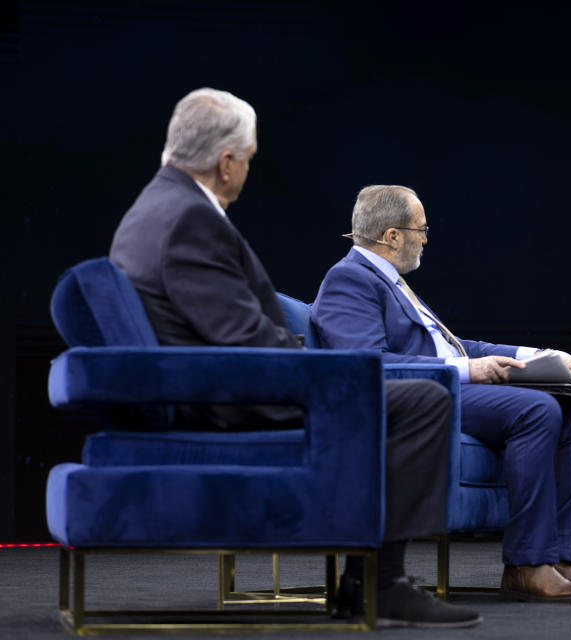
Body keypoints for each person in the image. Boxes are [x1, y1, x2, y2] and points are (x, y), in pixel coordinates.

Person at [109, 89, 481, 628]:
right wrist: (319, 366)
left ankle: (364, 581)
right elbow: (240, 338)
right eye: (250, 159)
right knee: (421, 400)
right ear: (227, 161)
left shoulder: (155, 207)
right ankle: (384, 582)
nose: (248, 170)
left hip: (215, 381)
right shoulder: (189, 219)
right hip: (229, 396)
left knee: (396, 393)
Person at [311, 185, 571, 603]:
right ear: (392, 236)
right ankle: (527, 565)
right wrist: (468, 371)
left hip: (452, 386)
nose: (425, 238)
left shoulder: (396, 284)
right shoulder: (349, 279)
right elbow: (369, 362)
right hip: (421, 397)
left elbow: (458, 347)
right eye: (421, 229)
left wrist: (536, 354)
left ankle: (561, 559)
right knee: (536, 409)